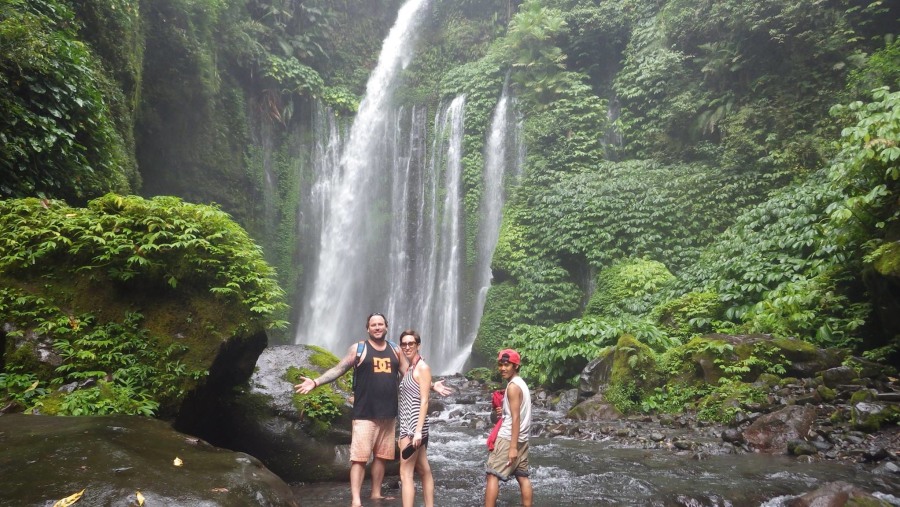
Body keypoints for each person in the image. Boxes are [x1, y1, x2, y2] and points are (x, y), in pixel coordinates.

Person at [294, 313, 449, 507]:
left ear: (386, 327)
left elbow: (411, 374)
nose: (377, 327)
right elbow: (338, 369)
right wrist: (316, 382)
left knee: (382, 457)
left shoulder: (395, 350)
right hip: (365, 413)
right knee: (359, 459)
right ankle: (356, 500)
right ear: (368, 328)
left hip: (389, 414)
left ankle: (376, 494)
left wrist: (433, 386)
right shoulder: (359, 349)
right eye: (373, 325)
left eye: (380, 324)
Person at [484, 348, 533, 507]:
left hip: (508, 439)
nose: (503, 368)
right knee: (522, 477)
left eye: (507, 365)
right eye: (500, 364)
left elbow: (516, 417)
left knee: (492, 475)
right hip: (522, 439)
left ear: (516, 366)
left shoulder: (512, 387)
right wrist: (503, 413)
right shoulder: (521, 384)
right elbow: (515, 413)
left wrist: (512, 447)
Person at [397, 330, 435, 507]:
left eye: (411, 343)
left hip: (413, 429)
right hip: (408, 426)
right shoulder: (411, 368)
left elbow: (425, 401)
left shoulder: (422, 368)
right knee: (423, 469)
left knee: (405, 473)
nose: (407, 347)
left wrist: (418, 432)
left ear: (418, 345)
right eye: (404, 344)